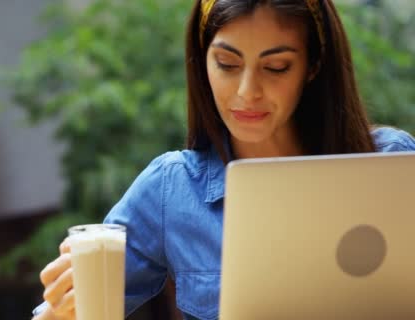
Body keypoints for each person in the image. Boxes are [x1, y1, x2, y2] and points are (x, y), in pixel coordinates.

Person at [34, 0, 415, 319]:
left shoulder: (392, 164)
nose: (248, 92)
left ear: (313, 66)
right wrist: (62, 307)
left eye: (276, 67)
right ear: (202, 61)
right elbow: (71, 307)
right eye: (227, 64)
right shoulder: (172, 188)